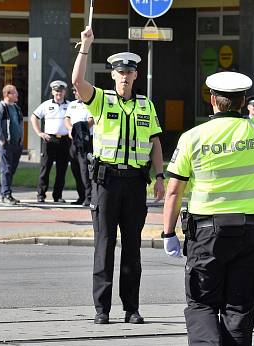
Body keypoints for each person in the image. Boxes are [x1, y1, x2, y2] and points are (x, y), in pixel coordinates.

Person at [161, 31, 254, 346]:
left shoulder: (193, 137)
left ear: (212, 100)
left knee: (202, 303)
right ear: (245, 102)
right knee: (239, 306)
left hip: (206, 234)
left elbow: (173, 190)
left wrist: (167, 232)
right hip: (248, 233)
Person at [73, 26, 165, 325]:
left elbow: (154, 142)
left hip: (136, 183)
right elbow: (77, 81)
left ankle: (131, 308)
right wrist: (85, 46)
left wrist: (161, 176)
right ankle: (102, 309)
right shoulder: (101, 100)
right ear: (113, 75)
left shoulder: (145, 105)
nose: (124, 76)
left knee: (133, 249)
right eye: (119, 72)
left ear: (136, 75)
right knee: (104, 245)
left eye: (129, 72)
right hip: (106, 182)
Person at [31, 80, 71, 203]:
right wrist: (39, 132)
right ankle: (41, 195)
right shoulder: (46, 105)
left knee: (61, 170)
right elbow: (34, 117)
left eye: (61, 91)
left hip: (65, 140)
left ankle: (57, 196)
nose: (58, 93)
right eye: (56, 91)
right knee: (45, 168)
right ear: (52, 91)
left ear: (64, 92)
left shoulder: (70, 105)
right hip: (50, 140)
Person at [0, 85, 24, 205]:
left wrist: (21, 140)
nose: (17, 95)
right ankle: (6, 194)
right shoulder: (0, 107)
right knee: (6, 169)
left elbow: (19, 124)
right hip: (5, 144)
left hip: (17, 144)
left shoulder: (16, 108)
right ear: (7, 95)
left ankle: (7, 192)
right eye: (14, 93)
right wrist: (2, 140)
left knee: (11, 169)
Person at [64, 88, 94, 206]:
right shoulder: (72, 104)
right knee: (75, 168)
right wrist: (71, 128)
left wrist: (81, 129)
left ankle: (89, 197)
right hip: (74, 141)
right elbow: (67, 119)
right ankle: (81, 196)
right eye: (75, 91)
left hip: (85, 141)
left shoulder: (90, 104)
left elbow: (91, 120)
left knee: (85, 170)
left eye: (77, 91)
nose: (75, 93)